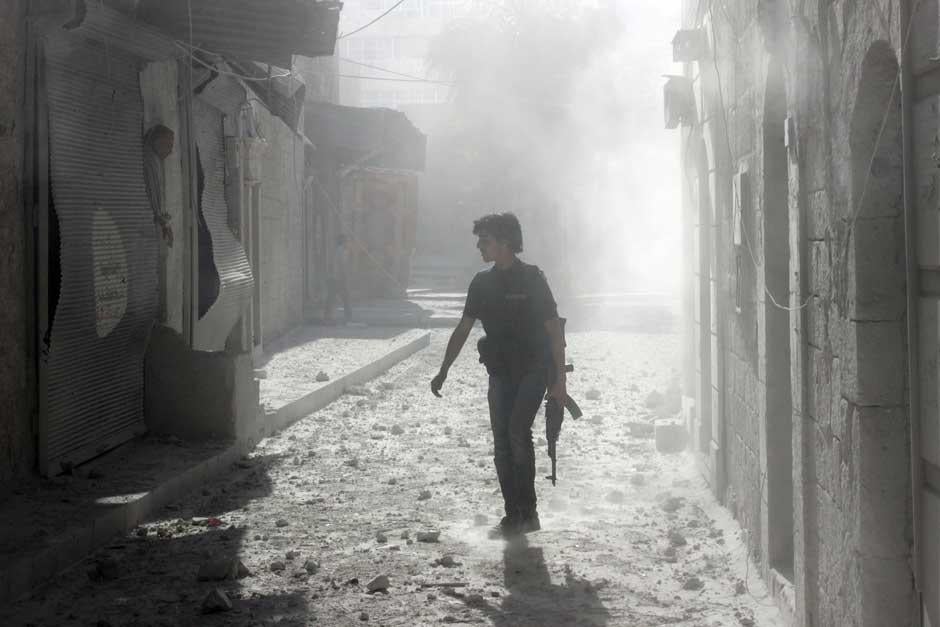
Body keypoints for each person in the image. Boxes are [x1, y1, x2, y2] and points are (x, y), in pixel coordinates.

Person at [430, 212, 567, 538]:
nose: (479, 246)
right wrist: (443, 370)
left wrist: (560, 381)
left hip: (534, 370)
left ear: (505, 243)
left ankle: (529, 512)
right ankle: (512, 514)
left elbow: (554, 332)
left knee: (518, 431)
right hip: (500, 374)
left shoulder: (533, 279)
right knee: (502, 444)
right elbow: (463, 328)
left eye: (485, 240)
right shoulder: (482, 283)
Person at [324, 233, 352, 324]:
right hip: (338, 278)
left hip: (332, 277)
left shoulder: (336, 250)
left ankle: (328, 317)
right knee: (345, 297)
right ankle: (348, 316)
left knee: (331, 297)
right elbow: (342, 265)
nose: (348, 243)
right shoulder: (342, 251)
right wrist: (345, 278)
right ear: (344, 242)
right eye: (347, 241)